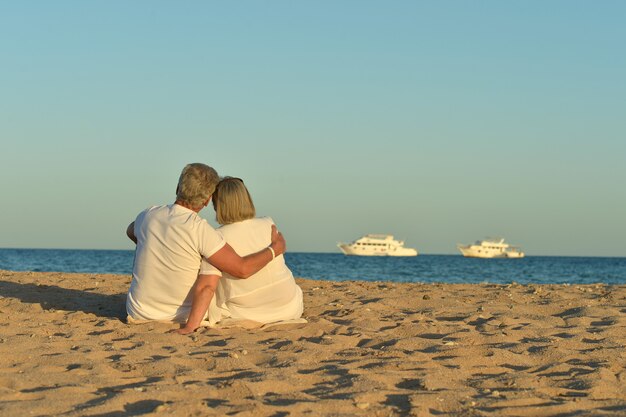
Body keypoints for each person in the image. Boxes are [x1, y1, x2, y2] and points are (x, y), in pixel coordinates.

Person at [125, 163, 285, 324]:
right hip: (181, 315)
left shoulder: (148, 215)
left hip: (139, 311)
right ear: (208, 200)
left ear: (177, 188)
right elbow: (242, 269)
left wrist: (157, 247)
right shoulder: (201, 230)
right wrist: (275, 249)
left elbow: (131, 231)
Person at [174, 176, 303, 334]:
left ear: (217, 205)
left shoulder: (216, 237)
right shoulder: (268, 223)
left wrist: (190, 326)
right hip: (290, 307)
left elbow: (207, 286)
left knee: (210, 280)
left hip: (249, 314)